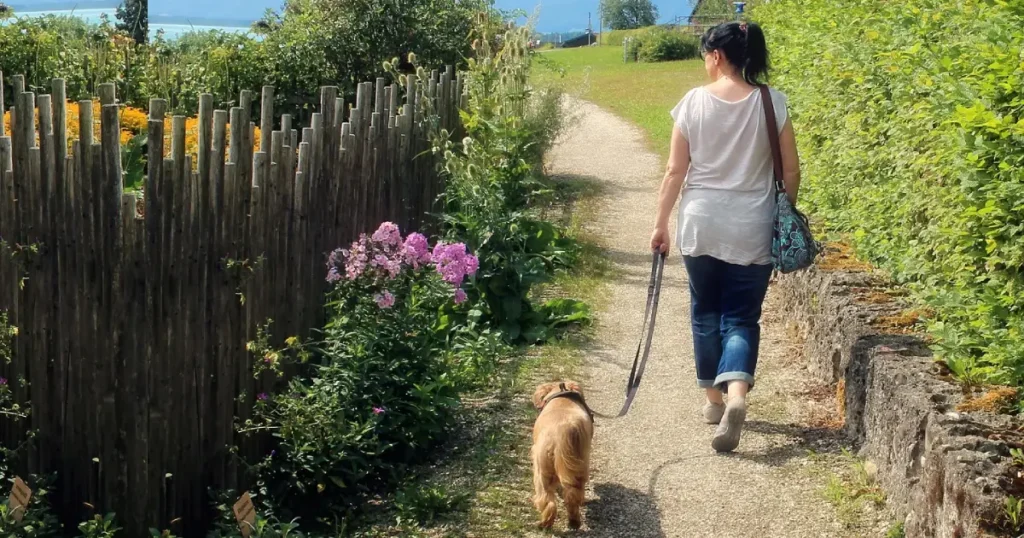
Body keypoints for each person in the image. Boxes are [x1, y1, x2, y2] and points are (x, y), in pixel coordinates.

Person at [649, 21, 801, 453]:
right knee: (741, 316)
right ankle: (736, 393)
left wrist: (660, 222)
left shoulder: (693, 102)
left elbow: (675, 170)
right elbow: (790, 170)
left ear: (716, 55)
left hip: (701, 222)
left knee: (705, 312)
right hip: (752, 225)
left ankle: (713, 402)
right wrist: (781, 212)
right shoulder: (773, 102)